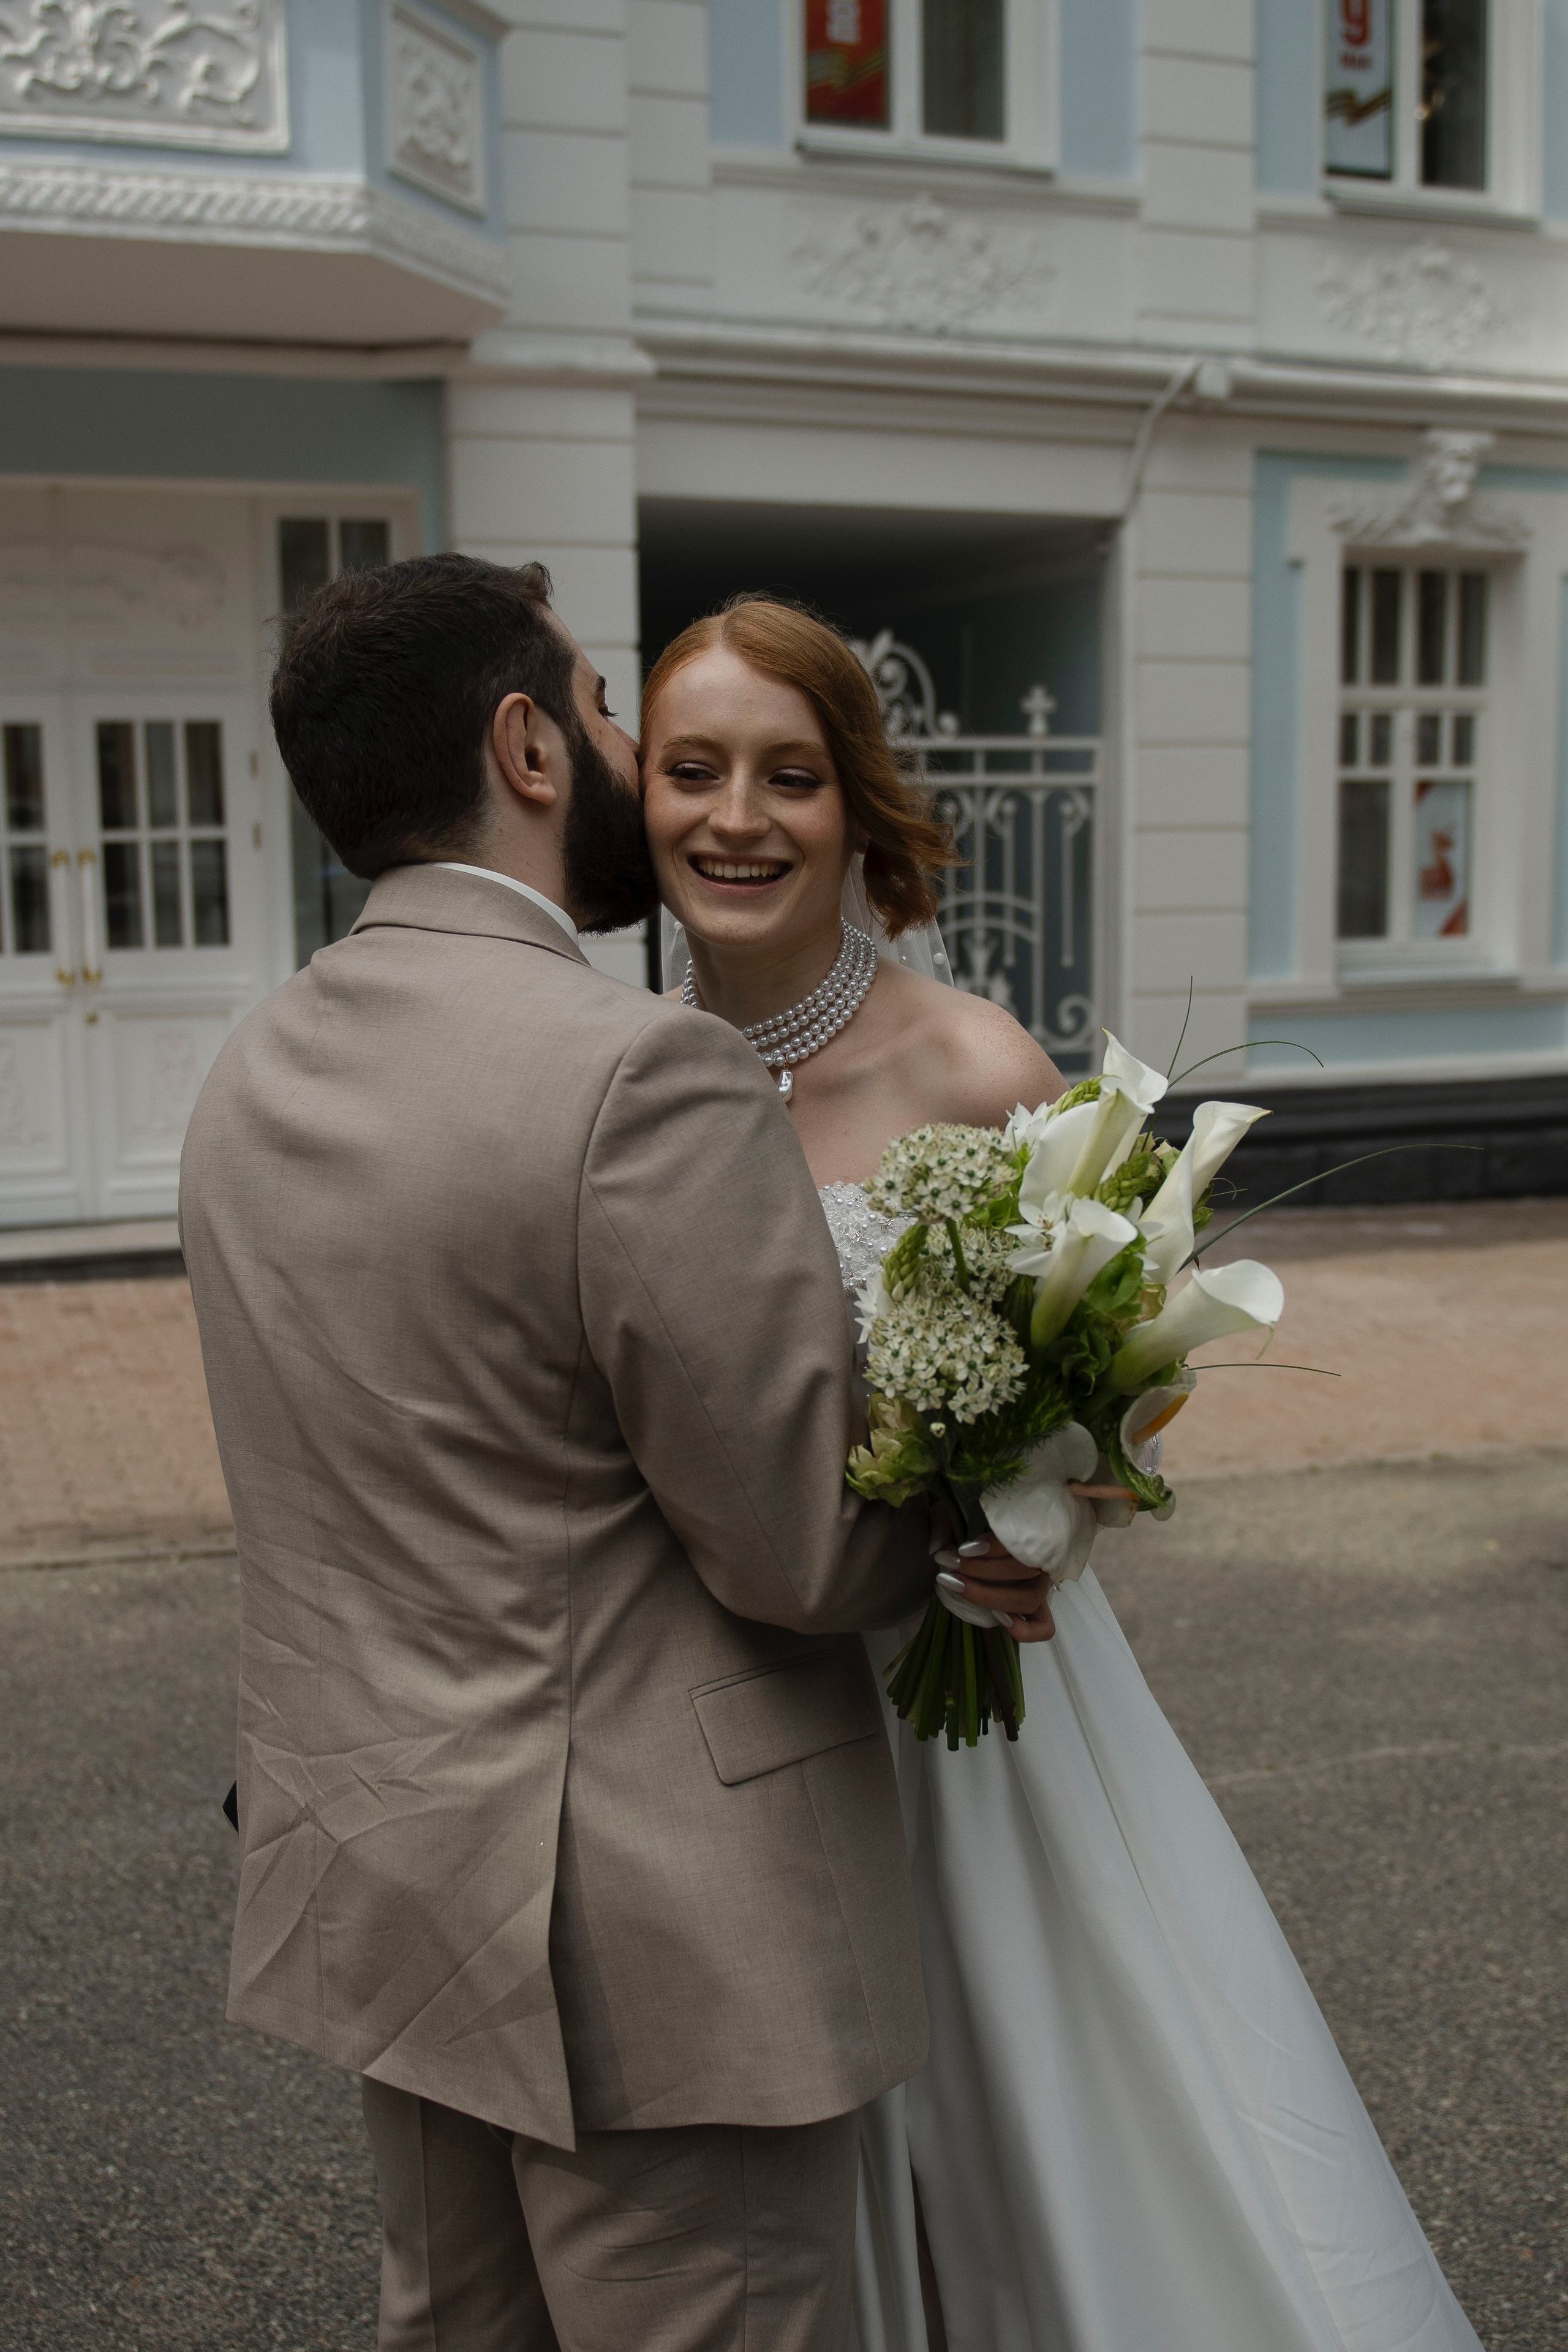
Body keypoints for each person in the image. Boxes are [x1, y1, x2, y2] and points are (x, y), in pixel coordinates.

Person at [179, 554, 1053, 2352]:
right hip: (655, 1938)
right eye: (600, 713)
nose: (624, 753)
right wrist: (994, 1512)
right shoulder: (641, 1073)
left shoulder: (248, 1071)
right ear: (523, 743)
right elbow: (800, 1549)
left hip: (389, 1895)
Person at [641, 593, 1486, 2352]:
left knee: (1040, 2101)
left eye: (788, 775)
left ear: (858, 810)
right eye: (692, 769)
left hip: (975, 1711)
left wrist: (1046, 1529)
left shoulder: (971, 1063)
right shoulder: (618, 1086)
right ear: (636, 798)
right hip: (732, 1708)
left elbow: (1125, 1384)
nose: (736, 815)